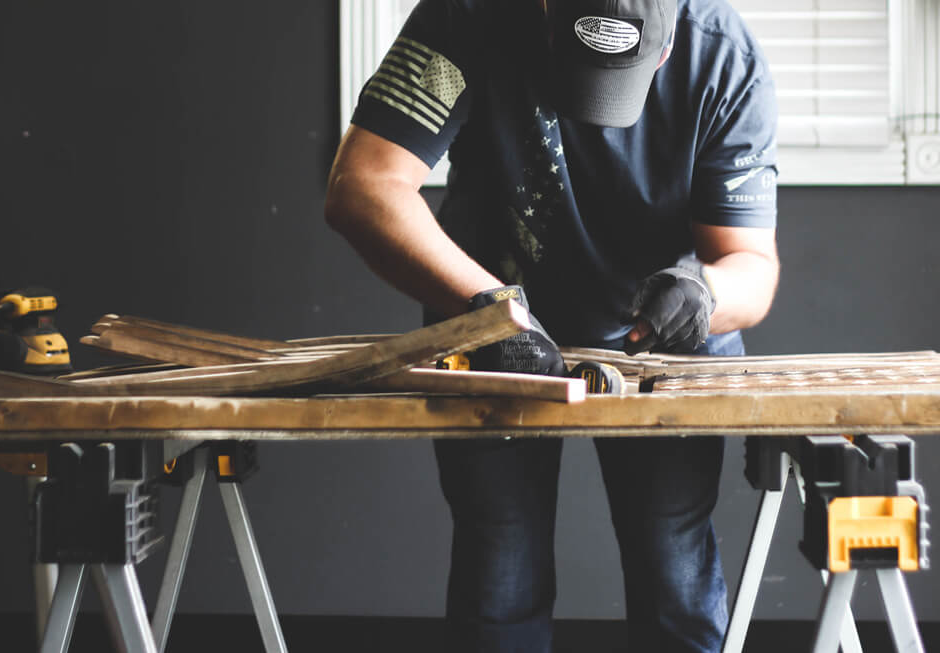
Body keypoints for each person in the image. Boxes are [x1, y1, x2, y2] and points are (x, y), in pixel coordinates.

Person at [324, 0, 779, 650]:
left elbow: (751, 267)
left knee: (674, 578)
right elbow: (364, 184)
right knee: (499, 583)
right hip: (491, 318)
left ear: (666, 46)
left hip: (661, 350)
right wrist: (488, 306)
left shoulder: (722, 56)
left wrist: (704, 292)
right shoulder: (468, 18)